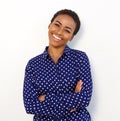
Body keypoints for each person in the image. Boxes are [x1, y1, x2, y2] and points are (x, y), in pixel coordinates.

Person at [23, 9, 93, 121]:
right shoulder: (33, 65)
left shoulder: (80, 58)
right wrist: (72, 103)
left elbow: (84, 98)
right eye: (57, 25)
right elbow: (30, 105)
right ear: (49, 25)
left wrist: (46, 98)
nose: (59, 32)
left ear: (71, 37)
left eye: (67, 30)